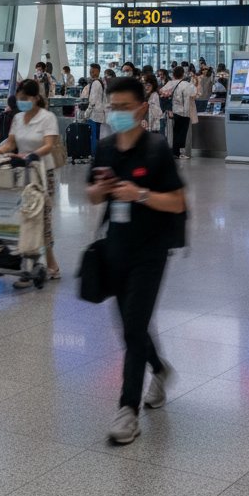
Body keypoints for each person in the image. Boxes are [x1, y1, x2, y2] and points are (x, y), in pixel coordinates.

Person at [85, 76, 186, 445]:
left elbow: (176, 202)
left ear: (143, 108)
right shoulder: (107, 148)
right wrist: (101, 190)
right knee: (131, 325)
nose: (118, 114)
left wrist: (139, 194)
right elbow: (94, 197)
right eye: (113, 107)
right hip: (115, 247)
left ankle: (128, 409)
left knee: (133, 327)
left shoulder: (157, 149)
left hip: (150, 250)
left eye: (125, 107)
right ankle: (159, 369)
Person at [0, 79, 62, 286]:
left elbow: (49, 145)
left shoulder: (47, 118)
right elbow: (12, 142)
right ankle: (29, 266)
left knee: (41, 218)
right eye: (19, 99)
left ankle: (48, 264)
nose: (22, 102)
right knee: (24, 217)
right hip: (22, 172)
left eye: (25, 99)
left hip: (43, 172)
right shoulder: (17, 118)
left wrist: (32, 155)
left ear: (35, 98)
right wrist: (1, 150)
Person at [168, 66, 197, 161]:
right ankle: (179, 153)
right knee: (182, 133)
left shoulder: (170, 83)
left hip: (173, 111)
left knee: (175, 132)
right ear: (183, 74)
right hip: (184, 111)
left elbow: (163, 93)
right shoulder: (186, 85)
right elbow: (194, 93)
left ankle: (174, 152)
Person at [80, 63, 108, 153]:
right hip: (100, 113)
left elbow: (92, 101)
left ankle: (94, 154)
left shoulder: (96, 83)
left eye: (93, 71)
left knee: (94, 136)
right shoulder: (101, 82)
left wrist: (86, 114)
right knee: (98, 136)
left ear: (98, 71)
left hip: (94, 115)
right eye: (90, 71)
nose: (91, 72)